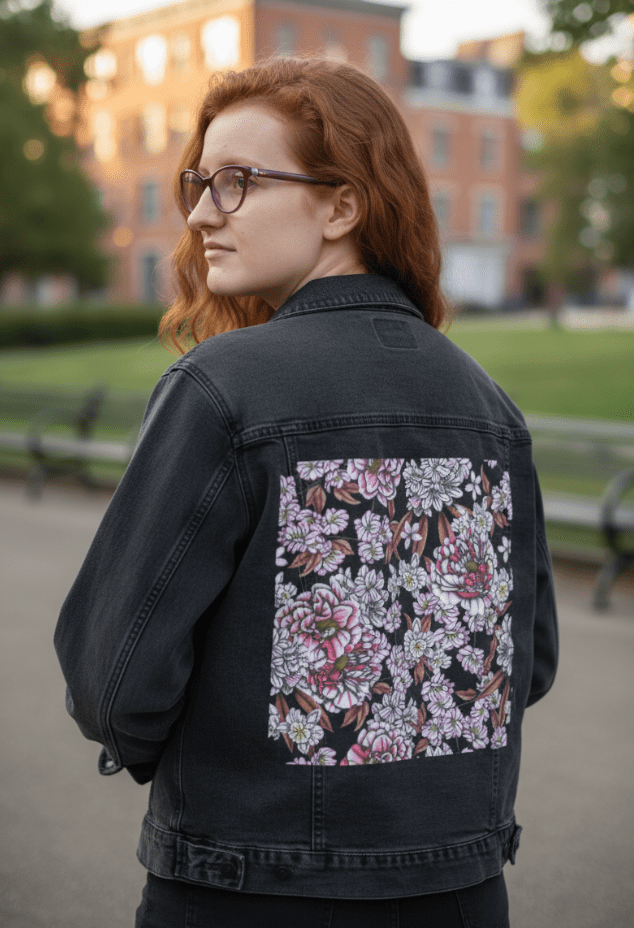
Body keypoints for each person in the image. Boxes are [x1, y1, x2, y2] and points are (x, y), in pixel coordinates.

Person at [54, 55, 559, 928]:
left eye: (239, 182)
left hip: (246, 891)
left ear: (342, 205)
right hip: (464, 894)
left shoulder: (222, 389)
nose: (202, 212)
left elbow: (113, 676)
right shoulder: (489, 406)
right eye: (199, 182)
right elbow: (528, 661)